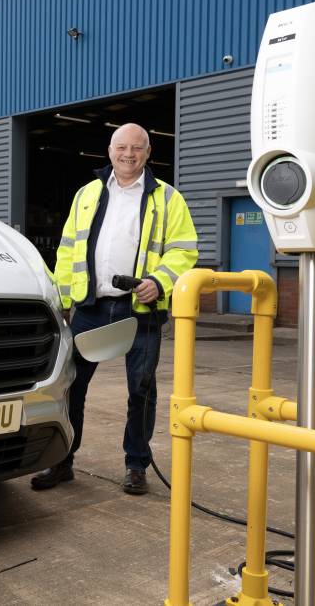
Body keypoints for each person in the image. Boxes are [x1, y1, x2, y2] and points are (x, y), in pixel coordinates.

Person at [33, 123, 198, 494]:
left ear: (148, 152)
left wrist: (160, 281)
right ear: (109, 150)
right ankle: (61, 461)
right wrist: (61, 299)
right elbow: (67, 249)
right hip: (90, 307)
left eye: (136, 148)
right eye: (121, 147)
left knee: (140, 390)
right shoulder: (87, 194)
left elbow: (184, 250)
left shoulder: (168, 198)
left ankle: (136, 465)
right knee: (70, 387)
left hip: (140, 310)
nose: (128, 154)